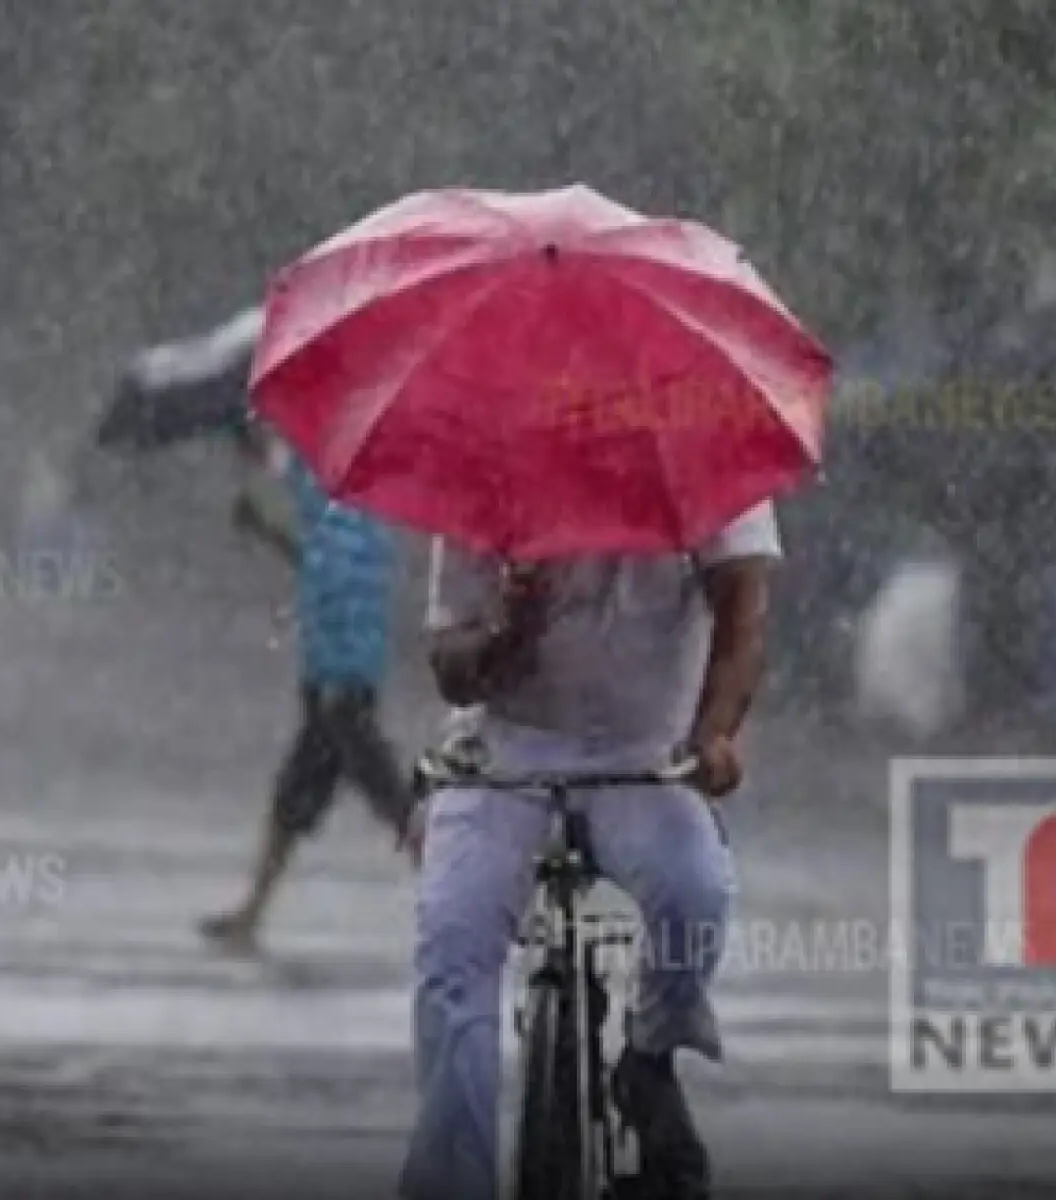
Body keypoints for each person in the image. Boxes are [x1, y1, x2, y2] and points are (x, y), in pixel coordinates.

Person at [398, 501, 781, 1200]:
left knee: (695, 891)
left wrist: (716, 732)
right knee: (453, 936)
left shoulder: (706, 454)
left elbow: (743, 610)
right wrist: (505, 632)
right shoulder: (487, 462)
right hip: (507, 749)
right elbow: (451, 668)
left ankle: (651, 1055)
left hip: (646, 750)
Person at [196, 421, 413, 955]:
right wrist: (266, 529)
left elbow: (335, 577)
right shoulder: (355, 514)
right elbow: (318, 567)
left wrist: (255, 458)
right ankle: (251, 913)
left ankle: (475, 913)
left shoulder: (336, 498)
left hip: (340, 686)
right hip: (331, 682)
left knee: (397, 805)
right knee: (296, 800)